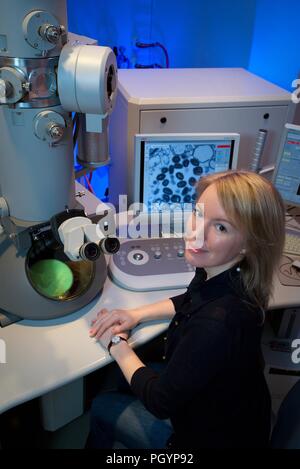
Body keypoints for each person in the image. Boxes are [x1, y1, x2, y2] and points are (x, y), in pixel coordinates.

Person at [87, 170, 286, 449]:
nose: (196, 234)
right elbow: (192, 299)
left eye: (221, 227)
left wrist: (117, 345)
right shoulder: (235, 275)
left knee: (101, 406)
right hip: (240, 411)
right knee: (121, 377)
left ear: (248, 244)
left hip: (209, 438)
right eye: (199, 213)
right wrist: (137, 314)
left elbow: (160, 402)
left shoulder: (217, 324)